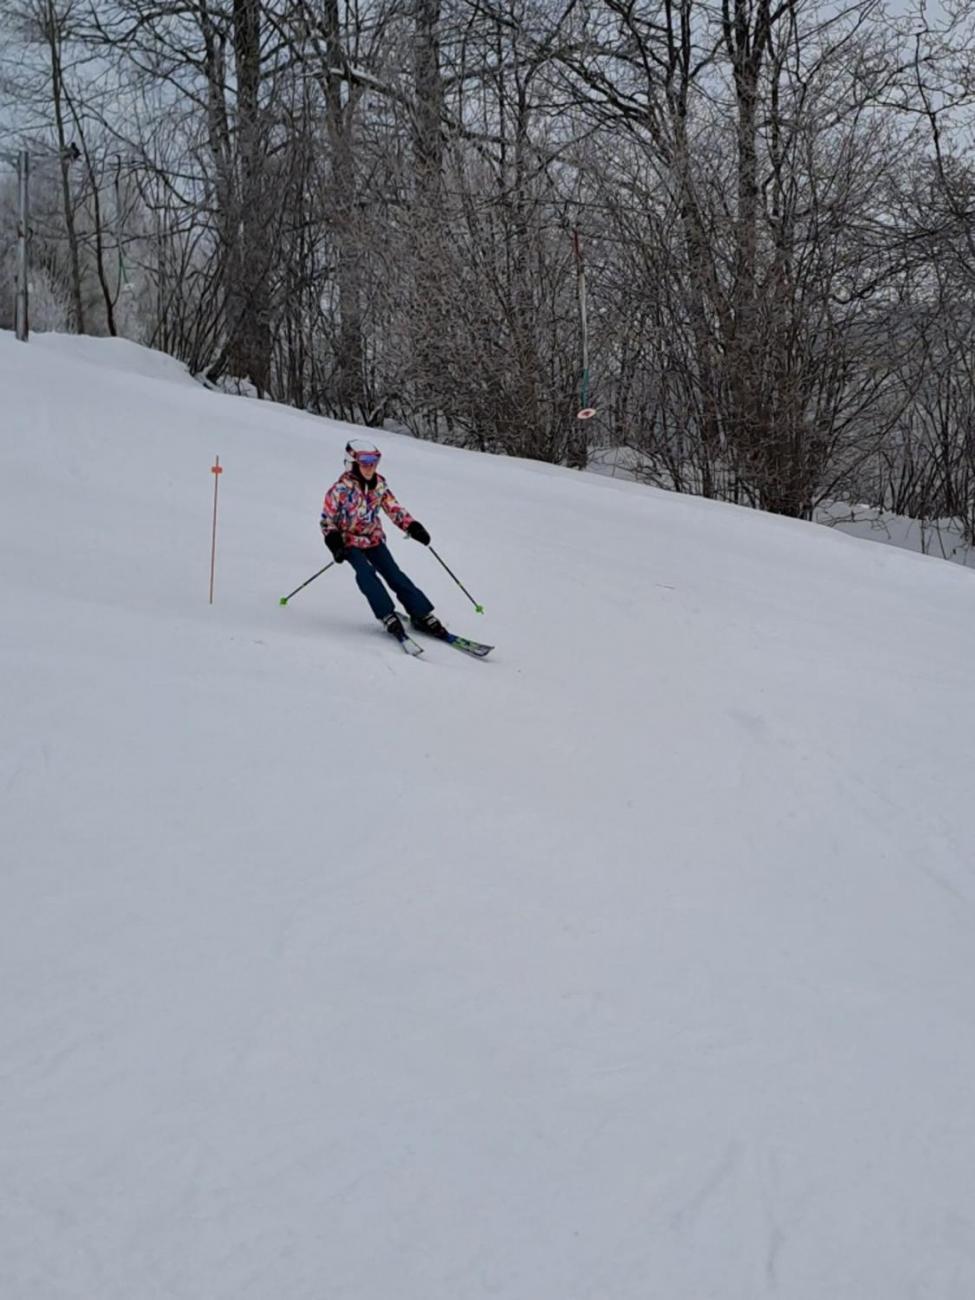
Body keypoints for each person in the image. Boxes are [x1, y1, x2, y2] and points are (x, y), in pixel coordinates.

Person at [320, 439, 446, 641]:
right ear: (352, 462)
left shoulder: (379, 485)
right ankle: (386, 612)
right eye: (365, 462)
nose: (370, 467)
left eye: (374, 462)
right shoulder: (339, 490)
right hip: (349, 541)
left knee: (394, 574)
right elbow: (327, 521)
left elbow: (394, 509)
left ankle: (420, 613)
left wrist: (413, 527)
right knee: (366, 573)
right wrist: (334, 543)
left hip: (373, 538)